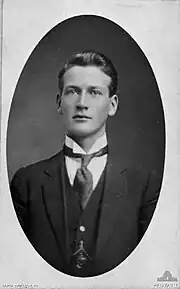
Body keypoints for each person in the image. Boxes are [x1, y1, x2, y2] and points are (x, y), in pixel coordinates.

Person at [10, 51, 162, 277]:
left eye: (94, 92)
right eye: (73, 91)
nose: (82, 103)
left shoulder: (145, 185)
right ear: (59, 103)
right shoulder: (27, 182)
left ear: (112, 105)